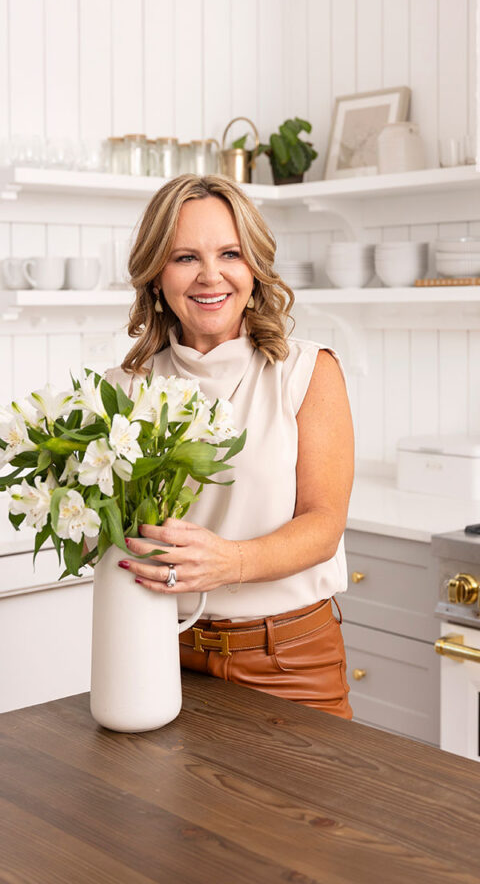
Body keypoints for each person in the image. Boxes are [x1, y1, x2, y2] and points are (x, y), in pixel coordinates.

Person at [107, 173, 354, 719]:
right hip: (157, 654)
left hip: (290, 662)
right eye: (185, 257)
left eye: (230, 253)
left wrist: (232, 562)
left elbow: (323, 524)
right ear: (156, 277)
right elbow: (111, 537)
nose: (210, 276)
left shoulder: (306, 372)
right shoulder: (122, 390)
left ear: (254, 269)